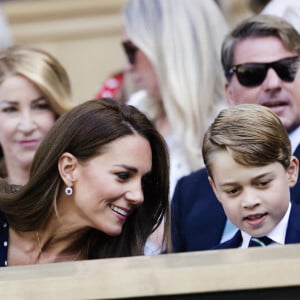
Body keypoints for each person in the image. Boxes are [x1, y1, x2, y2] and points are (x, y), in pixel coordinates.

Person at [171, 14, 300, 252]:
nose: (273, 84)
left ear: (291, 171)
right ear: (229, 91)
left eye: (286, 69)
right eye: (252, 73)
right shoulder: (189, 193)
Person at [0, 98, 170, 267]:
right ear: (69, 169)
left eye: (143, 182)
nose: (138, 196)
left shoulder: (116, 267)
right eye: (123, 176)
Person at [122, 0, 229, 199]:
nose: (128, 66)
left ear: (166, 48)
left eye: (131, 50)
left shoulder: (230, 127)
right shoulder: (134, 110)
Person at [203, 104, 300, 249]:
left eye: (263, 183)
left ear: (290, 172)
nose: (250, 202)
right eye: (233, 191)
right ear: (215, 189)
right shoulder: (214, 262)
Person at [0, 46, 74, 185]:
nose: (27, 126)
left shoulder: (88, 198)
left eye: (40, 107)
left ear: (59, 114)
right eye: (10, 109)